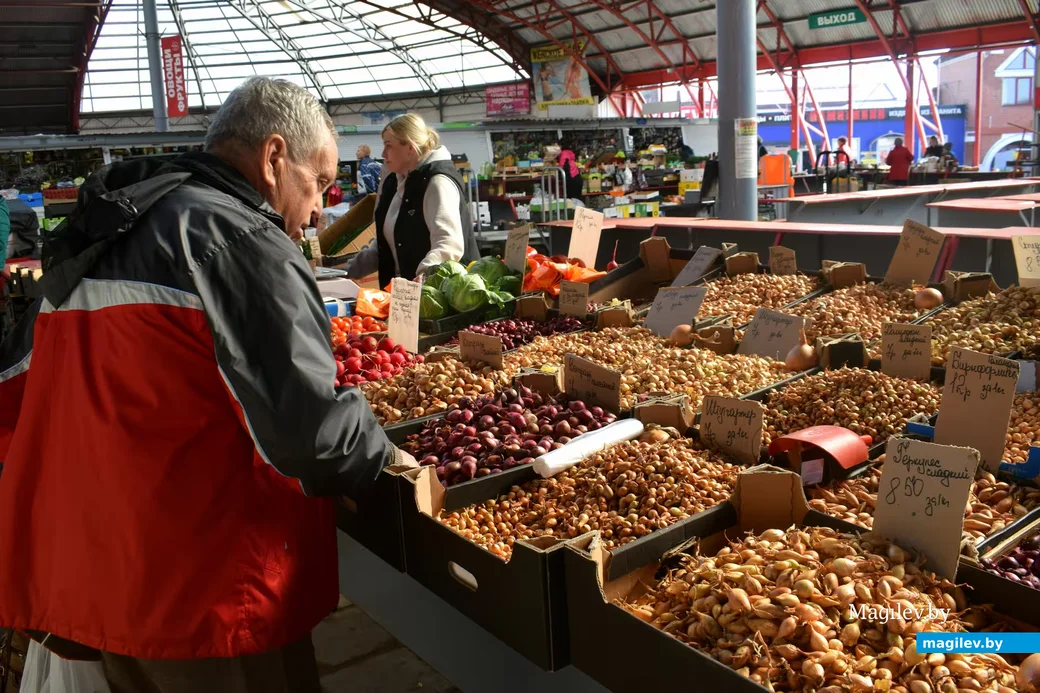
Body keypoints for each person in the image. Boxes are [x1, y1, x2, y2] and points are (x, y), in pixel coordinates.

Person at [0, 76, 415, 692]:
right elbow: (313, 437)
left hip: (101, 579)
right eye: (320, 182)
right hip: (207, 596)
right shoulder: (241, 241)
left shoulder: (107, 230)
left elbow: (19, 388)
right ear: (274, 159)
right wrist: (390, 458)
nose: (317, 209)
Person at [345, 113, 478, 286]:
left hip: (446, 296)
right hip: (407, 298)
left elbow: (448, 243)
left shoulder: (437, 182)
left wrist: (424, 274)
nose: (383, 154)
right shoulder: (394, 182)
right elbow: (384, 246)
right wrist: (342, 272)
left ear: (409, 147)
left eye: (388, 146)